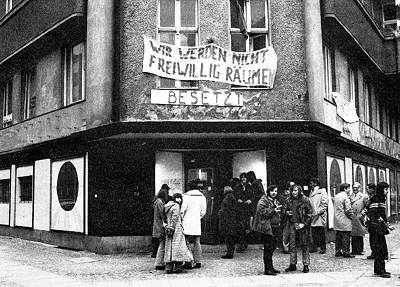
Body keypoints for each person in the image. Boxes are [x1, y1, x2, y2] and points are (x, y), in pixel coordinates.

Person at [253, 184, 282, 275]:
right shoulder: (263, 201)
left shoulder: (274, 200)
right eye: (272, 191)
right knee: (268, 248)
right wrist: (273, 210)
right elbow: (261, 212)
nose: (274, 193)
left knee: (272, 247)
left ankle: (271, 267)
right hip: (266, 228)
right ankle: (267, 269)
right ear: (268, 192)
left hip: (274, 227)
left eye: (276, 191)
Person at [285, 185, 312, 273]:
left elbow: (310, 213)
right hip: (292, 224)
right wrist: (286, 212)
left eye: (296, 190)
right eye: (292, 190)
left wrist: (304, 224)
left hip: (302, 225)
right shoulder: (289, 200)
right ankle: (293, 264)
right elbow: (285, 210)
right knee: (292, 245)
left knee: (304, 245)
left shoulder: (305, 200)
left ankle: (306, 264)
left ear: (299, 191)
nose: (294, 192)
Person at [164, 193, 193, 274]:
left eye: (180, 198)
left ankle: (168, 267)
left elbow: (164, 218)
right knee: (178, 248)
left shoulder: (167, 206)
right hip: (176, 230)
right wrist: (172, 227)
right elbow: (175, 217)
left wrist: (166, 226)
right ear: (174, 198)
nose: (179, 200)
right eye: (178, 198)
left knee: (169, 248)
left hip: (168, 229)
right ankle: (177, 267)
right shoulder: (176, 206)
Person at [367, 182, 391, 278]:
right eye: (386, 189)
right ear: (381, 190)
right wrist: (382, 222)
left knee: (379, 249)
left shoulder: (378, 198)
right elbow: (373, 213)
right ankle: (381, 271)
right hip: (376, 228)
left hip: (376, 228)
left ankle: (377, 269)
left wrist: (386, 223)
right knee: (380, 249)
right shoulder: (378, 198)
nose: (387, 191)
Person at [181, 181, 207, 269]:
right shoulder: (202, 196)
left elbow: (182, 209)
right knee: (197, 241)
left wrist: (182, 218)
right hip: (196, 222)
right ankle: (198, 261)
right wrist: (197, 217)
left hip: (186, 221)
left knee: (186, 241)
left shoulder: (186, 196)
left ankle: (189, 259)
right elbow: (203, 211)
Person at [333, 183, 354, 258]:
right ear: (345, 189)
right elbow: (348, 209)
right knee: (346, 236)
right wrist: (352, 217)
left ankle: (338, 251)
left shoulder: (336, 196)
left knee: (338, 235)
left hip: (337, 218)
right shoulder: (346, 197)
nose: (349, 190)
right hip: (345, 219)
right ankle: (346, 252)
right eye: (348, 188)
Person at [309, 178, 328, 254]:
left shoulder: (322, 191)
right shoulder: (311, 192)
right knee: (314, 231)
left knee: (321, 231)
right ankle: (315, 246)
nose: (310, 185)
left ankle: (323, 247)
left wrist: (319, 211)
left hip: (320, 215)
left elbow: (324, 203)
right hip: (313, 214)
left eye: (311, 183)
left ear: (315, 183)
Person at [234, 172, 252, 253]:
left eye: (245, 177)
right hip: (240, 209)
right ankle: (240, 245)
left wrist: (250, 200)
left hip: (247, 209)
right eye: (242, 177)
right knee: (240, 227)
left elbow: (252, 196)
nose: (244, 178)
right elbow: (235, 196)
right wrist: (238, 200)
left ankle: (245, 243)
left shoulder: (249, 186)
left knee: (246, 227)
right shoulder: (237, 186)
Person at [218, 186, 238, 259]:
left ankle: (229, 253)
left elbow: (226, 209)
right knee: (230, 237)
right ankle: (230, 252)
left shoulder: (228, 198)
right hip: (230, 220)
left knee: (228, 237)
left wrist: (220, 212)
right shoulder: (231, 197)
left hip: (228, 220)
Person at [350, 182, 369, 255]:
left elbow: (367, 206)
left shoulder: (363, 196)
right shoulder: (350, 196)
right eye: (353, 187)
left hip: (359, 216)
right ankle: (354, 250)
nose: (355, 189)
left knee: (360, 233)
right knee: (353, 234)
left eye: (356, 188)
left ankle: (360, 249)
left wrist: (364, 212)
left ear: (359, 188)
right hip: (352, 216)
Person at [151, 186, 169, 258]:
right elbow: (162, 213)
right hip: (160, 223)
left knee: (157, 239)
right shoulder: (160, 202)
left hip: (157, 222)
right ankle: (157, 254)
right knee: (161, 239)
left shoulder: (156, 201)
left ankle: (155, 253)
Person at [279, 181, 294, 254]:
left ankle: (291, 247)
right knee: (286, 232)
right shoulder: (284, 196)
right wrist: (286, 212)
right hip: (286, 217)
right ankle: (286, 247)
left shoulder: (294, 194)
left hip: (294, 217)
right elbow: (282, 207)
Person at [365, 183, 377, 260]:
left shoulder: (374, 197)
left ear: (372, 189)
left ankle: (375, 253)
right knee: (372, 237)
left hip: (373, 221)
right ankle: (374, 252)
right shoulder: (371, 197)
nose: (367, 190)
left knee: (374, 238)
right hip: (371, 220)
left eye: (368, 188)